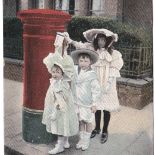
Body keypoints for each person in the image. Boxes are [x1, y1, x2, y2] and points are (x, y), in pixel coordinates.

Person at [65, 29, 124, 144]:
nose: (101, 42)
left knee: (106, 108)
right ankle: (97, 128)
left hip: (107, 82)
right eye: (99, 40)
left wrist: (107, 84)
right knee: (96, 105)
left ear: (107, 41)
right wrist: (70, 40)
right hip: (95, 80)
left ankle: (105, 130)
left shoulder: (113, 54)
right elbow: (80, 45)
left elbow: (114, 69)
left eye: (103, 40)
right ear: (97, 40)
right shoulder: (92, 49)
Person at [42, 32, 79, 154]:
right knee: (64, 119)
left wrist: (56, 107)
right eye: (58, 44)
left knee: (61, 120)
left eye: (63, 44)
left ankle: (60, 145)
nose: (60, 47)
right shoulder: (54, 58)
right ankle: (65, 141)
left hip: (62, 99)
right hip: (56, 98)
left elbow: (70, 77)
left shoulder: (67, 60)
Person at [71, 48, 101, 150]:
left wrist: (94, 103)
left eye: (86, 61)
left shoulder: (92, 75)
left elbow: (96, 90)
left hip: (87, 103)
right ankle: (81, 139)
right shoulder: (76, 71)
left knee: (88, 121)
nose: (83, 63)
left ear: (90, 62)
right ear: (78, 61)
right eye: (81, 61)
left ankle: (86, 141)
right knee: (80, 121)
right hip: (77, 102)